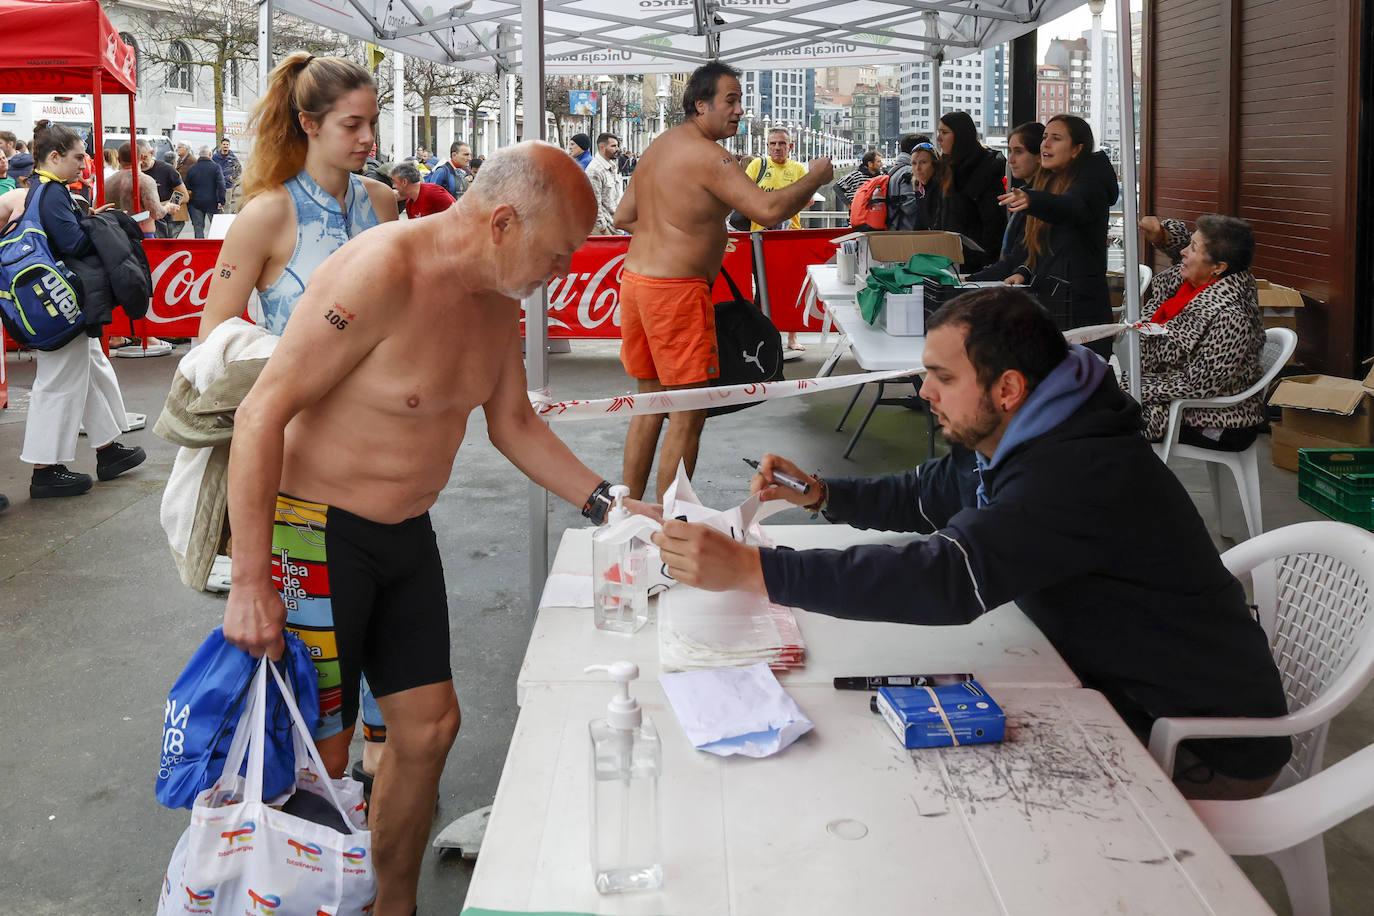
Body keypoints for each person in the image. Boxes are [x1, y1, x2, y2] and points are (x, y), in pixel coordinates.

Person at [222, 140, 651, 915]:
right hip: (314, 533)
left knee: (427, 731)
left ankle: (394, 905)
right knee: (319, 755)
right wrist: (250, 579)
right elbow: (262, 413)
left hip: (404, 534)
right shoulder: (380, 270)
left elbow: (513, 422)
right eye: (555, 255)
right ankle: (305, 901)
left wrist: (609, 502)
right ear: (503, 221)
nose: (559, 274)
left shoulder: (499, 299)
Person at [653, 285, 1292, 802]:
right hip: (1095, 683)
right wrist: (824, 495)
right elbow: (932, 490)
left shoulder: (1078, 470)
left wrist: (757, 569)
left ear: (1007, 388)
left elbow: (945, 578)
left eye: (940, 376)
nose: (924, 392)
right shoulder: (1034, 426)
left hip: (1196, 742)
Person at [198, 51, 400, 800]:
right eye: (353, 124)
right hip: (300, 458)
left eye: (373, 122)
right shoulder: (268, 213)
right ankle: (310, 781)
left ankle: (380, 746)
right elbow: (213, 332)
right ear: (309, 124)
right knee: (318, 626)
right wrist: (298, 357)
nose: (368, 138)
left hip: (386, 449)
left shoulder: (382, 204)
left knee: (388, 605)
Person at [612, 62, 832, 500]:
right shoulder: (711, 156)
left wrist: (683, 233)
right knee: (688, 414)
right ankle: (672, 525)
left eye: (739, 101)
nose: (739, 111)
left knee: (649, 404)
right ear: (700, 104)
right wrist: (816, 177)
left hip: (638, 284)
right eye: (730, 101)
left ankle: (630, 513)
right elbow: (768, 211)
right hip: (674, 293)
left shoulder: (659, 146)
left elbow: (623, 216)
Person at [0, 121, 145, 498]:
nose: (85, 163)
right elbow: (75, 243)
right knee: (60, 381)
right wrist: (98, 222)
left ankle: (108, 449)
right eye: (78, 156)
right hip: (60, 303)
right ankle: (45, 469)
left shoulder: (43, 190)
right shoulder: (51, 192)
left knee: (90, 369)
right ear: (54, 156)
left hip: (53, 301)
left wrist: (86, 216)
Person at [1131, 214, 1267, 448]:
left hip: (1214, 420)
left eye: (1192, 248)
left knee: (1100, 424)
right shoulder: (1192, 285)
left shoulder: (1232, 317)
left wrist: (1132, 385)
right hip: (1170, 401)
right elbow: (1186, 250)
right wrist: (1163, 235)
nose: (1183, 252)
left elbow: (1197, 384)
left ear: (1218, 267)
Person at [996, 115, 1118, 353]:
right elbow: (1046, 248)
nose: (1046, 144)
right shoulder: (1052, 182)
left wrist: (1033, 199)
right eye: (1044, 138)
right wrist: (1024, 271)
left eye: (1056, 138)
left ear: (1076, 149)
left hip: (1081, 311)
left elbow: (1071, 208)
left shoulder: (1091, 180)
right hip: (1052, 304)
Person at [746, 127, 810, 355]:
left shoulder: (798, 169)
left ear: (790, 146)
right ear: (767, 146)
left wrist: (780, 205)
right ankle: (757, 335)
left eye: (782, 144)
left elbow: (808, 200)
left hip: (789, 237)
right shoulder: (757, 166)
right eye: (773, 143)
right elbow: (744, 195)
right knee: (762, 289)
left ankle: (792, 337)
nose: (777, 148)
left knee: (792, 288)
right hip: (759, 238)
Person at [933, 111, 1007, 272]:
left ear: (961, 136)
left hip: (976, 265)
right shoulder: (947, 167)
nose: (938, 139)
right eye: (939, 132)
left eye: (944, 133)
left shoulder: (985, 169)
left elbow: (993, 223)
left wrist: (985, 263)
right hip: (950, 260)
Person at [970, 121, 1043, 276]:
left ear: (1039, 156)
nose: (1011, 160)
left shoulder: (1037, 199)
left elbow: (1018, 257)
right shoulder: (1026, 193)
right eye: (1010, 151)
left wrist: (973, 278)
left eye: (1019, 151)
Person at [105, 141, 169, 237]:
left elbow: (98, 207)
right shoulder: (145, 181)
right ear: (141, 158)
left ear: (118, 159)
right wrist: (168, 207)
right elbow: (157, 213)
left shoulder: (107, 182)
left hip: (114, 234)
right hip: (142, 234)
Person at [140, 142, 189, 239]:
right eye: (137, 158)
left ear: (152, 153)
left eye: (144, 157)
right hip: (139, 222)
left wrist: (161, 205)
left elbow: (184, 196)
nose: (141, 162)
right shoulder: (131, 171)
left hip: (162, 223)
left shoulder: (167, 170)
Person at [182, 145, 225, 239]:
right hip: (213, 202)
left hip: (196, 203)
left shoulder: (192, 168)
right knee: (216, 228)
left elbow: (187, 186)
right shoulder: (216, 167)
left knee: (198, 228)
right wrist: (221, 201)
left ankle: (199, 249)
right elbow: (221, 185)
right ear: (210, 154)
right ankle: (215, 249)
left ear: (199, 155)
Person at [587, 131, 622, 235]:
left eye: (617, 146)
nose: (617, 149)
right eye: (613, 146)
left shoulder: (612, 166)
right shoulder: (594, 170)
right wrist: (604, 230)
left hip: (614, 226)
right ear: (602, 148)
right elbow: (593, 205)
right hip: (603, 230)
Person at [390, 161, 454, 218]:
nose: (393, 186)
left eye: (394, 182)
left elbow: (456, 214)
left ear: (404, 182)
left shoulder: (433, 192)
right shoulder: (409, 203)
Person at [212, 136, 242, 203]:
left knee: (227, 204)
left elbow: (239, 170)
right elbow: (211, 169)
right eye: (224, 144)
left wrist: (232, 177)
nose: (225, 146)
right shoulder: (215, 157)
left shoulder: (233, 158)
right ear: (221, 145)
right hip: (217, 185)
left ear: (229, 145)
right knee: (216, 204)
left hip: (228, 185)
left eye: (227, 144)